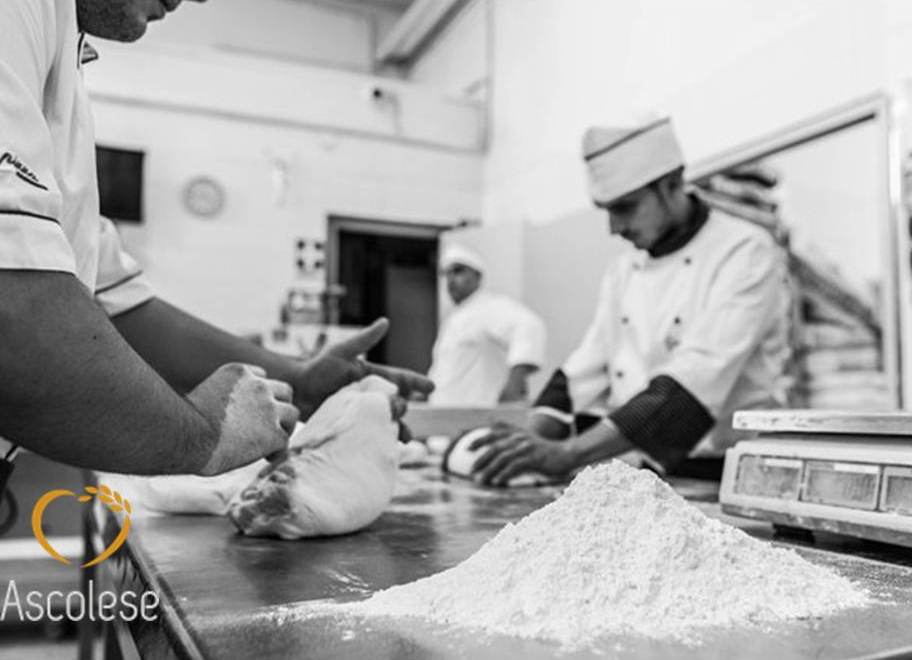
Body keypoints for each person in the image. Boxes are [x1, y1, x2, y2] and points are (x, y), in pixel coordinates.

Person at [0, 0, 432, 490]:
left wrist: (300, 379)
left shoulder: (59, 55)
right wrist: (199, 435)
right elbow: (12, 314)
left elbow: (113, 304)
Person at [470, 116, 788, 486]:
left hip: (725, 474)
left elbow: (697, 378)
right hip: (646, 471)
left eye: (625, 207)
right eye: (607, 210)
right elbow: (584, 369)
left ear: (671, 185)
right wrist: (528, 442)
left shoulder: (745, 251)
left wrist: (567, 454)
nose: (614, 228)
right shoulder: (625, 269)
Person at [428, 245, 547, 406]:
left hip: (478, 415)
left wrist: (515, 383)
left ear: (477, 276)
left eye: (458, 271)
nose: (450, 280)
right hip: (444, 415)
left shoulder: (490, 307)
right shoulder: (453, 319)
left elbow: (530, 326)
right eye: (446, 274)